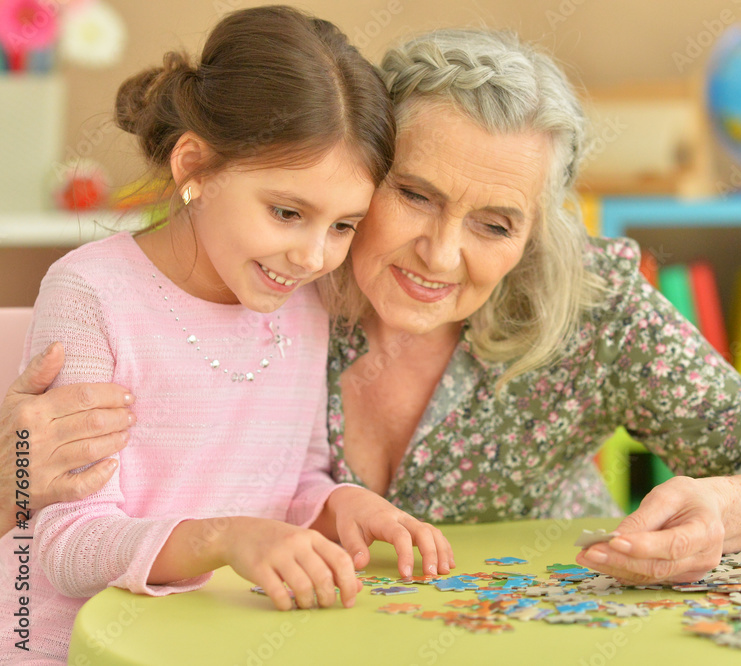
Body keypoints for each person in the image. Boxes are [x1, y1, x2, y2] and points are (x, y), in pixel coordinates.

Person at [3, 27, 741, 593]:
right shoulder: (277, 282)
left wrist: (723, 511)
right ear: (362, 167)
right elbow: (74, 512)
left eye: (495, 223)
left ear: (537, 229)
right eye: (413, 194)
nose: (441, 255)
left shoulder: (595, 306)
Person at [0, 7, 451, 662]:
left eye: (344, 225)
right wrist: (227, 538)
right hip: (75, 650)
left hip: (222, 641)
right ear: (195, 169)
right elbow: (69, 545)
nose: (313, 255)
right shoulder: (93, 294)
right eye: (287, 212)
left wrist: (341, 505)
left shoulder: (307, 302)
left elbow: (293, 480)